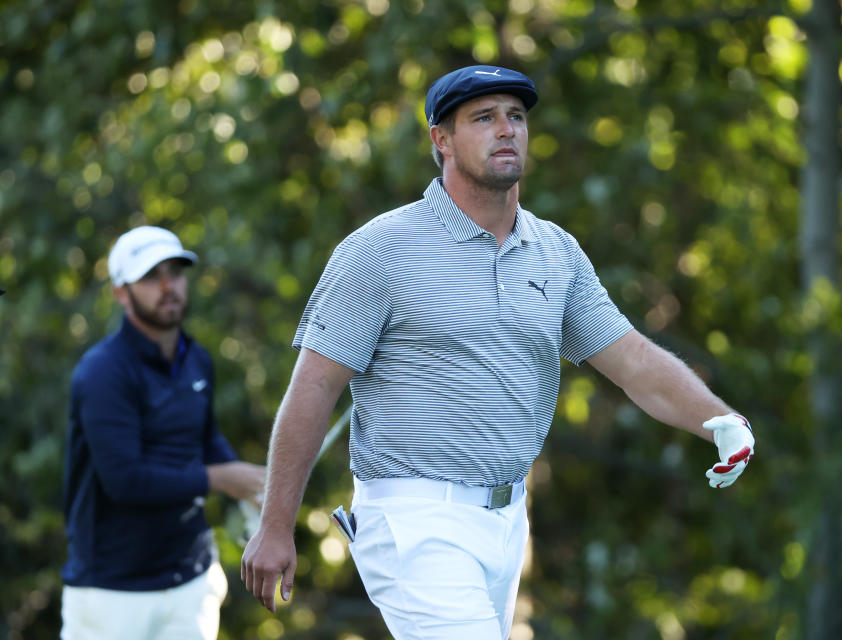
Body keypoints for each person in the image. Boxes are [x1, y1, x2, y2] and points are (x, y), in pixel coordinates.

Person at [240, 65, 756, 639]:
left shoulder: (554, 252)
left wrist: (720, 420)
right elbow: (314, 386)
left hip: (508, 520)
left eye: (515, 117)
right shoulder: (380, 250)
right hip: (413, 517)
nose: (506, 130)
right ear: (441, 139)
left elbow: (632, 359)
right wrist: (276, 525)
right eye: (483, 118)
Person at [61, 226, 267, 640]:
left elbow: (205, 441)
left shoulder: (197, 360)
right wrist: (223, 478)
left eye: (174, 272)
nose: (167, 286)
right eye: (151, 276)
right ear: (121, 293)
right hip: (111, 590)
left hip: (190, 581)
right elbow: (125, 480)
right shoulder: (103, 372)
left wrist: (257, 481)